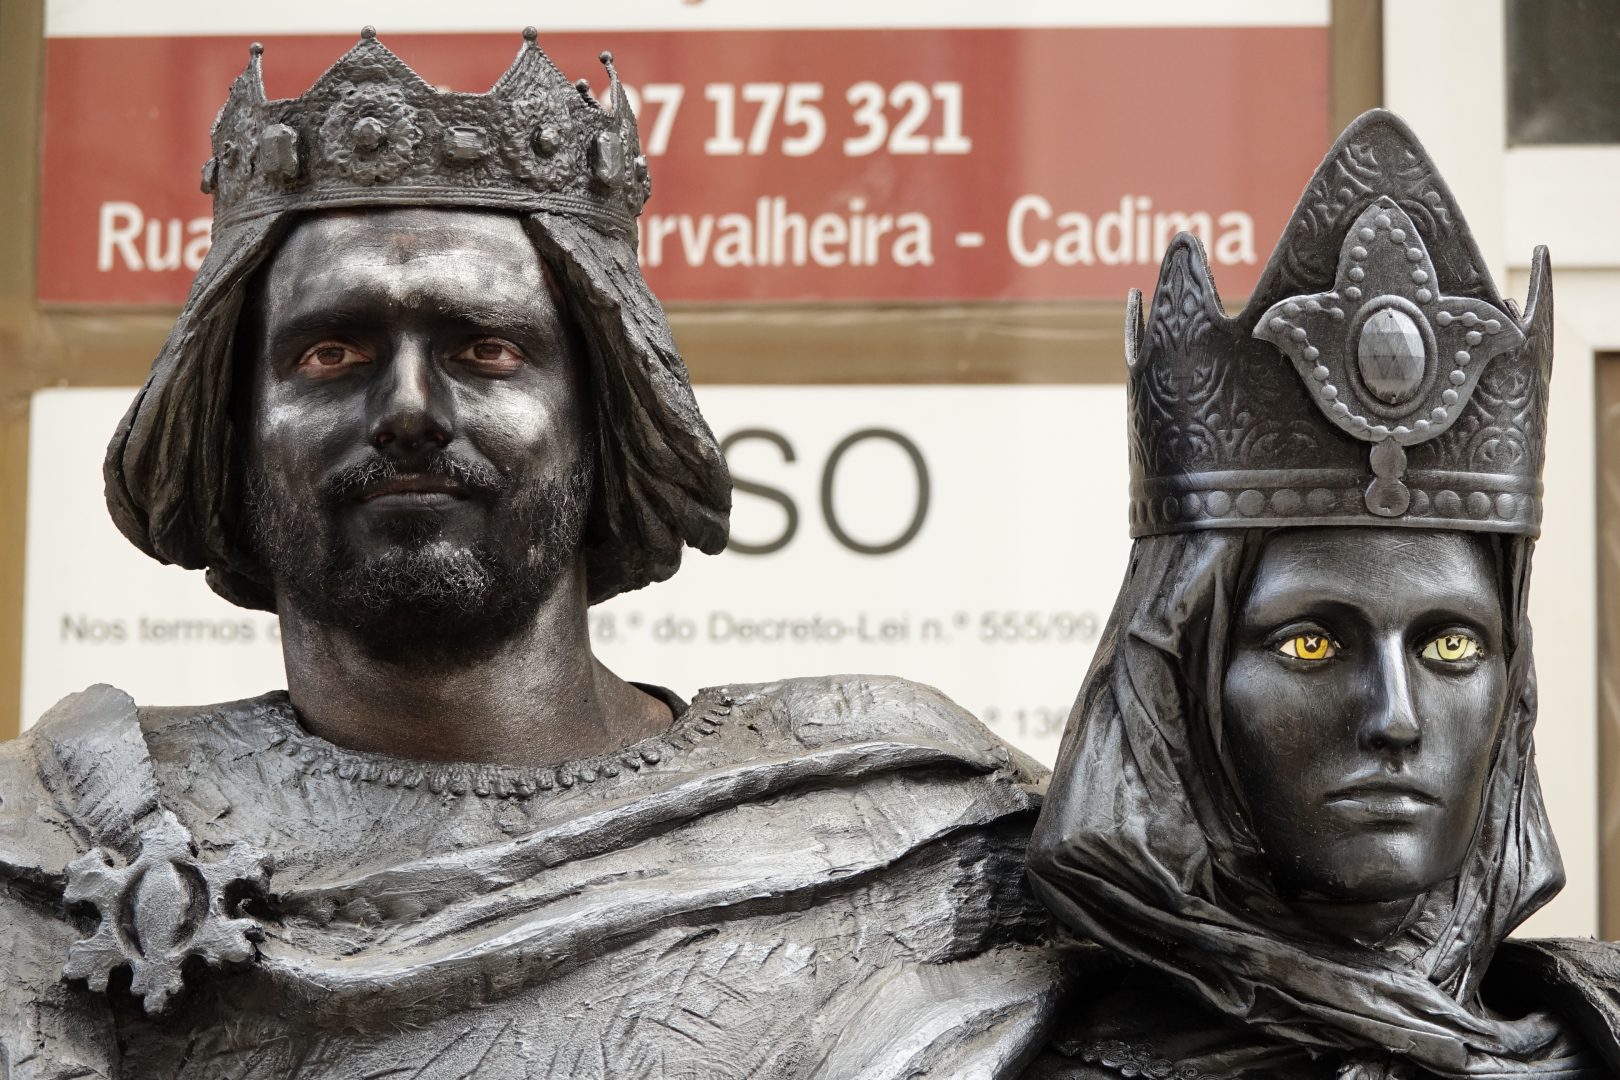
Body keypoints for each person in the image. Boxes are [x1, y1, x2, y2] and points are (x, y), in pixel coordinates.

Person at [0, 31, 1061, 1078]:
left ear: (608, 420)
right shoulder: (54, 840)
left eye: (487, 350)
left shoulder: (917, 820)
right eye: (330, 353)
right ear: (232, 439)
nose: (409, 411)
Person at [1025, 110, 1620, 1079]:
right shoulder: (983, 1055)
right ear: (1180, 687)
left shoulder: (1593, 1045)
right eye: (1311, 644)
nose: (1395, 719)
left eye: (1451, 647)